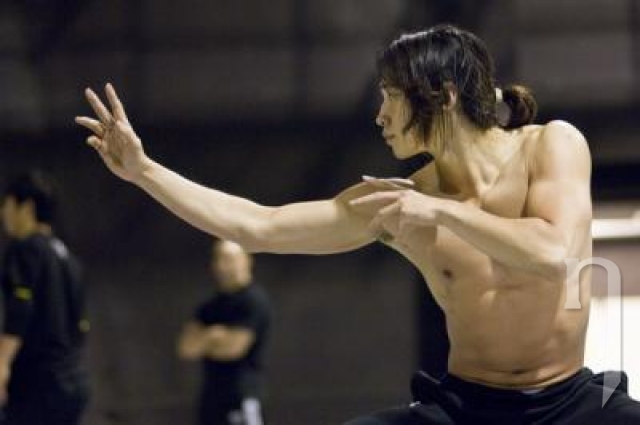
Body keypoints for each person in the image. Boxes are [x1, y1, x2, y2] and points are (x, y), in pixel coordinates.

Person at [76, 23, 640, 424]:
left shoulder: (552, 145)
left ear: (443, 97)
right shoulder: (400, 203)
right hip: (465, 407)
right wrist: (144, 172)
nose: (379, 116)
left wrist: (443, 210)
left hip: (569, 403)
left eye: (391, 98)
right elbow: (258, 226)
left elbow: (553, 254)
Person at [0, 171, 90, 425]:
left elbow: (20, 307)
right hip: (73, 382)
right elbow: (82, 325)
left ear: (26, 207)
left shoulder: (24, 248)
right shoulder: (68, 258)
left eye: (7, 204)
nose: (3, 213)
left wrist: (2, 364)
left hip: (36, 384)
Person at [177, 239, 271, 425]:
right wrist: (214, 335)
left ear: (246, 260)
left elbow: (233, 349)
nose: (222, 265)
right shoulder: (209, 307)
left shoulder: (253, 301)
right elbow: (186, 348)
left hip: (241, 395)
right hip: (211, 399)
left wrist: (206, 339)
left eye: (229, 258)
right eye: (218, 258)